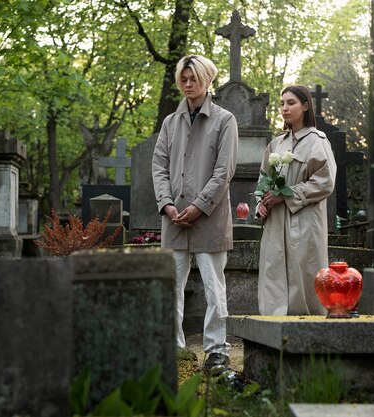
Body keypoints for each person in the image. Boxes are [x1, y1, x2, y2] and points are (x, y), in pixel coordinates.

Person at [152, 55, 238, 370]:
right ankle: (175, 350)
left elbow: (224, 171)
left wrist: (198, 206)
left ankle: (216, 350)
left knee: (215, 287)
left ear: (207, 79)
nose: (188, 85)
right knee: (171, 285)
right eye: (183, 79)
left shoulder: (225, 120)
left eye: (194, 79)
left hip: (210, 217)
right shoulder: (170, 123)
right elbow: (158, 165)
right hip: (173, 217)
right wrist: (167, 203)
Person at [256, 84, 337, 316]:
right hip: (275, 224)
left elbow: (325, 182)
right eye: (282, 103)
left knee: (304, 272)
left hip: (304, 223)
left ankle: (308, 325)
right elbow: (263, 180)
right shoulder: (276, 144)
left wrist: (287, 194)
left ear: (305, 106)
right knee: (273, 271)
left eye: (290, 103)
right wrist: (261, 203)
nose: (284, 108)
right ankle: (272, 324)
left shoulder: (317, 141)